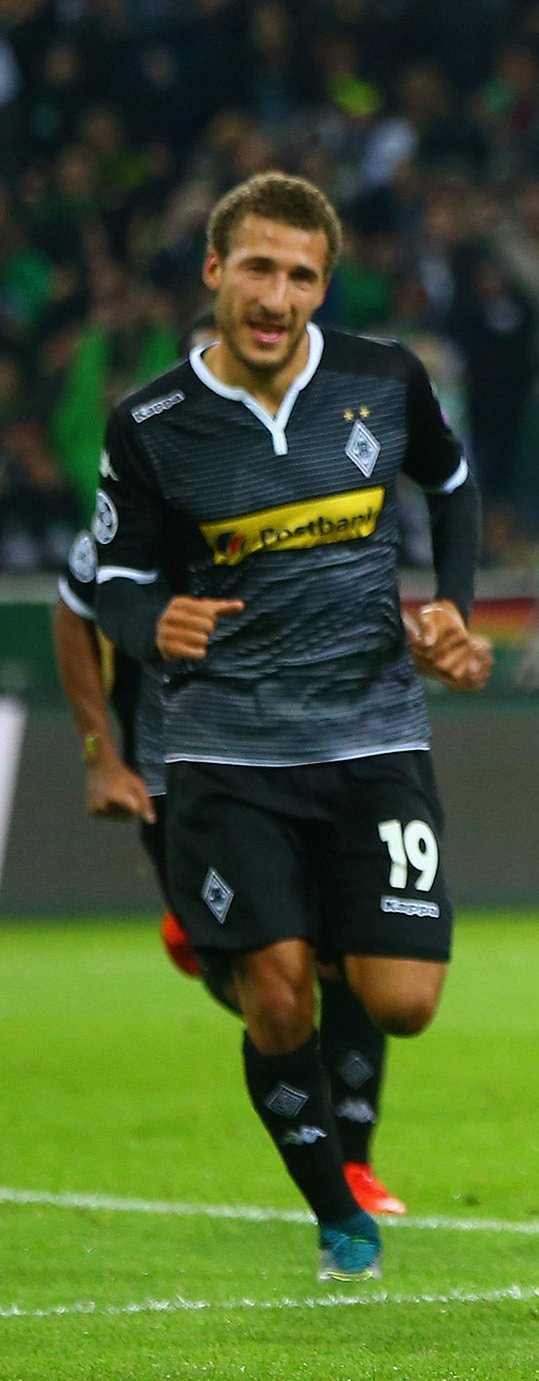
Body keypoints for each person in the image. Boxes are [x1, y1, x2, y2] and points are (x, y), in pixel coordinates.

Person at [90, 172, 490, 1282]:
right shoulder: (153, 426)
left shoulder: (381, 380)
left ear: (323, 286)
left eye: (301, 274)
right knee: (276, 991)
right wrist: (148, 613)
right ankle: (337, 1215)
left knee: (400, 1002)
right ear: (215, 271)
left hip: (372, 737)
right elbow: (107, 580)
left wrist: (453, 605)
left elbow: (452, 487)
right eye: (258, 268)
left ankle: (262, 955)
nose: (278, 294)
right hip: (226, 747)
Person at [50, 509, 489, 1216]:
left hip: (324, 755)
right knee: (271, 989)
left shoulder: (313, 478)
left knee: (351, 956)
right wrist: (100, 753)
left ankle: (351, 1166)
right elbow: (73, 612)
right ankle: (201, 939)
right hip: (190, 777)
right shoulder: (149, 486)